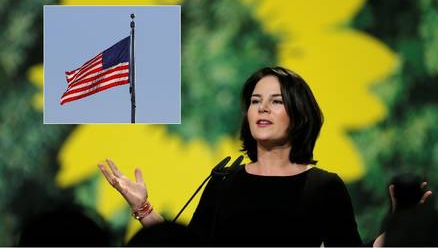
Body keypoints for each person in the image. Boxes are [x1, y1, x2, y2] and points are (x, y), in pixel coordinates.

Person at [98, 67, 362, 245]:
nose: (263, 109)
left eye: (277, 101)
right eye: (256, 101)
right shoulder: (224, 180)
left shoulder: (325, 187)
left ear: (299, 114)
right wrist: (142, 208)